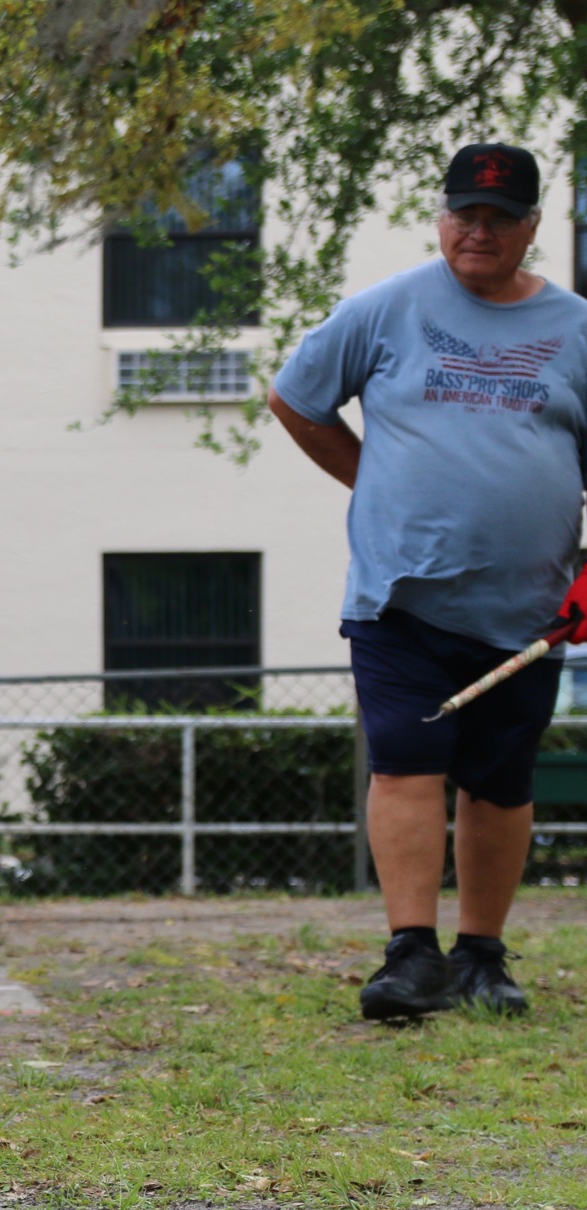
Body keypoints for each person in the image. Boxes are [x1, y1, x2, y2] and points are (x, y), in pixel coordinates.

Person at [269, 142, 587, 1021]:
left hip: (528, 612)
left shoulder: (577, 327)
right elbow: (296, 398)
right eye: (464, 215)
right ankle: (412, 953)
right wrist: (375, 483)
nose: (477, 231)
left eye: (499, 218)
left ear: (531, 227)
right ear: (441, 218)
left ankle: (482, 955)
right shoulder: (385, 309)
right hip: (398, 598)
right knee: (407, 765)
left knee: (500, 780)